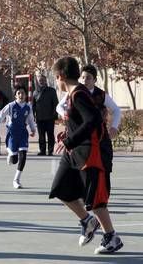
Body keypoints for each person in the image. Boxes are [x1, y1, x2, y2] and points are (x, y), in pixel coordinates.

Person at [49, 57, 123, 254]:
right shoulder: (73, 95)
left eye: (56, 79)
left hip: (91, 153)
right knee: (60, 189)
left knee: (95, 201)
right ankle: (87, 221)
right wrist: (68, 134)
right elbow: (82, 121)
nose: (56, 82)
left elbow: (92, 120)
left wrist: (69, 140)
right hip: (74, 152)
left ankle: (111, 238)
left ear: (61, 76)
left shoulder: (79, 94)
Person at [56, 65, 121, 140]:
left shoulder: (101, 95)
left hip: (98, 135)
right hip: (77, 133)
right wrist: (64, 113)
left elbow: (116, 110)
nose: (84, 80)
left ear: (95, 80)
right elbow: (58, 107)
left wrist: (114, 127)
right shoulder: (73, 92)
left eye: (88, 78)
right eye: (83, 77)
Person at [0, 85, 36, 189]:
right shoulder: (10, 106)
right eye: (18, 93)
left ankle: (16, 180)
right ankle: (10, 155)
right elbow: (0, 116)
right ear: (15, 95)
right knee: (14, 160)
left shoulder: (28, 107)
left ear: (25, 95)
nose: (21, 95)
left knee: (23, 156)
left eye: (23, 93)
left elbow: (30, 119)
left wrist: (33, 129)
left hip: (23, 134)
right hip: (12, 135)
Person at [32, 74, 59, 156]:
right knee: (41, 136)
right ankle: (42, 150)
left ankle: (50, 150)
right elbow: (33, 105)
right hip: (40, 118)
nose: (41, 82)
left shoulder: (52, 91)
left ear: (46, 81)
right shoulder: (35, 92)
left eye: (43, 80)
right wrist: (33, 116)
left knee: (50, 135)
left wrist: (55, 115)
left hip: (50, 117)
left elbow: (56, 104)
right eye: (40, 80)